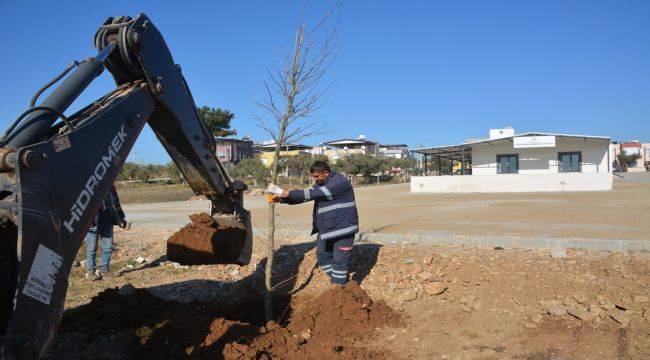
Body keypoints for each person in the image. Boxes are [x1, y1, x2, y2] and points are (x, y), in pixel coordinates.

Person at [267, 161, 359, 286]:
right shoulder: (322, 182)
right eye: (313, 176)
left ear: (326, 173)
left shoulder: (339, 183)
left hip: (343, 228)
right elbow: (305, 197)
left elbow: (313, 194)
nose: (314, 179)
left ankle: (339, 288)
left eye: (316, 176)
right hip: (328, 228)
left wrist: (283, 192)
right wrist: (282, 199)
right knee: (322, 257)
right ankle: (342, 283)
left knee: (339, 261)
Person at [85, 185, 128, 280]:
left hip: (108, 221)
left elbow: (116, 203)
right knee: (92, 248)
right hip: (93, 222)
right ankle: (91, 271)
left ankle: (104, 271)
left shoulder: (111, 187)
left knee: (108, 247)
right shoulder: (89, 185)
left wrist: (122, 218)